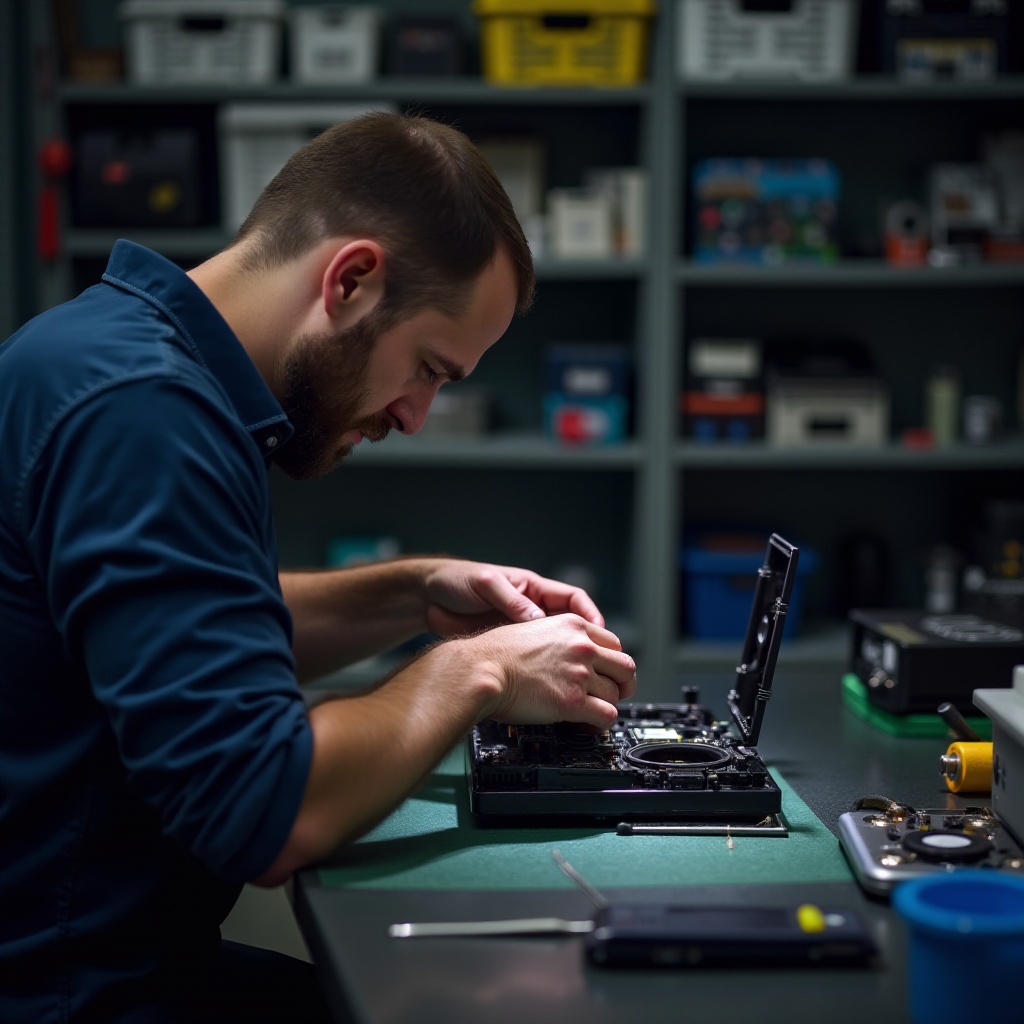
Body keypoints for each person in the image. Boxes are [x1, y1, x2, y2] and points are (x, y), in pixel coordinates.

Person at [0, 111, 637, 1022]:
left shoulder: (109, 353)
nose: (414, 415)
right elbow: (264, 809)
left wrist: (416, 592)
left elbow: (193, 636)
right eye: (426, 368)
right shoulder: (144, 415)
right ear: (351, 280)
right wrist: (481, 668)